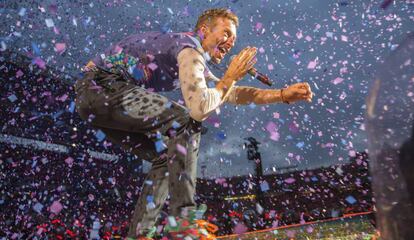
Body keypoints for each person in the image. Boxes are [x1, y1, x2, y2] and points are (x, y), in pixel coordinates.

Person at [74, 8, 313, 240]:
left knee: (167, 155)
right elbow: (199, 110)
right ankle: (183, 223)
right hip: (102, 88)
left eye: (234, 38)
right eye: (226, 33)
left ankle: (140, 234)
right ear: (204, 30)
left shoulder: (189, 53)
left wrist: (281, 94)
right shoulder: (189, 50)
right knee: (183, 122)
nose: (231, 42)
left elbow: (231, 93)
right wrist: (229, 77)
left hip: (95, 97)